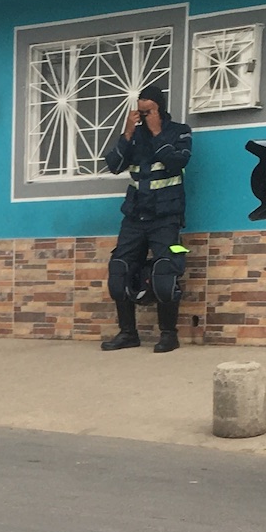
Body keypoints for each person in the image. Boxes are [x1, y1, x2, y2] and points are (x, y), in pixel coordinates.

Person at [99, 85, 193, 352]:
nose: (143, 116)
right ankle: (128, 333)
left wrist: (156, 132)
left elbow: (178, 162)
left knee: (166, 270)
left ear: (159, 109)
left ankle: (168, 335)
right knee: (119, 268)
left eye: (148, 111)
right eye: (140, 112)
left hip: (167, 217)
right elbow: (115, 165)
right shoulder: (134, 135)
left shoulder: (180, 131)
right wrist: (128, 132)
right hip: (134, 216)